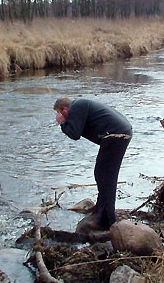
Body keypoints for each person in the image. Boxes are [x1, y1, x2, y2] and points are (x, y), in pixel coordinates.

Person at [53, 97, 132, 230]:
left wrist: (62, 123)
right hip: (118, 133)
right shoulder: (79, 106)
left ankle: (106, 219)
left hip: (116, 135)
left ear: (64, 109)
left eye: (59, 113)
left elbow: (74, 133)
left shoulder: (75, 107)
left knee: (105, 176)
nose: (60, 116)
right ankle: (100, 211)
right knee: (103, 174)